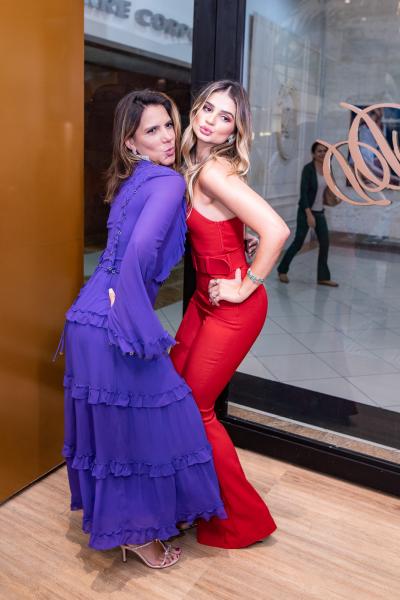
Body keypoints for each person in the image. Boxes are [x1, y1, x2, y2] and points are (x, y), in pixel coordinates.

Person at [60, 90, 226, 569]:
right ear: (130, 142)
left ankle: (131, 526)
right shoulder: (168, 182)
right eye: (152, 130)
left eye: (169, 125)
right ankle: (138, 536)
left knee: (119, 434)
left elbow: (122, 252)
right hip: (114, 321)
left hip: (86, 318)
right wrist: (135, 321)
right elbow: (139, 251)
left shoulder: (132, 181)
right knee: (153, 425)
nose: (168, 136)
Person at [170, 80, 290, 549]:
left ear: (233, 133)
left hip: (233, 309)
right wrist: (241, 242)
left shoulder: (213, 172)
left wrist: (246, 285)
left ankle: (243, 520)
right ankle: (189, 501)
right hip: (205, 301)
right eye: (208, 108)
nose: (211, 121)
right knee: (174, 397)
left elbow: (277, 230)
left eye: (225, 118)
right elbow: (233, 227)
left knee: (196, 410)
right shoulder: (195, 166)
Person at [277, 142, 338, 286]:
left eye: (325, 151)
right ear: (313, 154)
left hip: (320, 212)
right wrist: (309, 215)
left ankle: (323, 277)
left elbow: (330, 189)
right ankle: (282, 269)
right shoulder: (308, 169)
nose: (322, 153)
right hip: (306, 211)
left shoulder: (328, 169)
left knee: (325, 243)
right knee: (298, 242)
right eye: (319, 151)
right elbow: (303, 194)